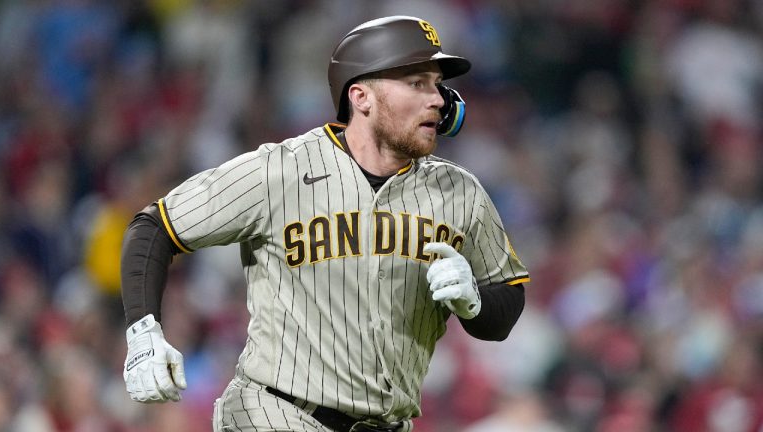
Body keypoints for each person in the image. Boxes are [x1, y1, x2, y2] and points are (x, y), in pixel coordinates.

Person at [121, 15, 529, 432]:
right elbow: (155, 227)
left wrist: (475, 302)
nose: (439, 99)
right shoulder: (280, 171)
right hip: (276, 414)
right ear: (361, 97)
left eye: (437, 84)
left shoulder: (460, 193)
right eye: (417, 83)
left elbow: (507, 302)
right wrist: (142, 332)